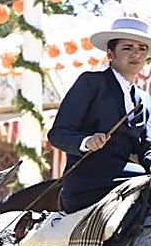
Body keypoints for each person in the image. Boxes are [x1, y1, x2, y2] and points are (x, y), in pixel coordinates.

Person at [48, 17, 151, 213]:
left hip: (133, 176)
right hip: (89, 182)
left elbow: (148, 148)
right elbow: (58, 134)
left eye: (142, 49)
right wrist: (86, 141)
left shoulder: (145, 100)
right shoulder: (91, 83)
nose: (136, 54)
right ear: (110, 54)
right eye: (127, 48)